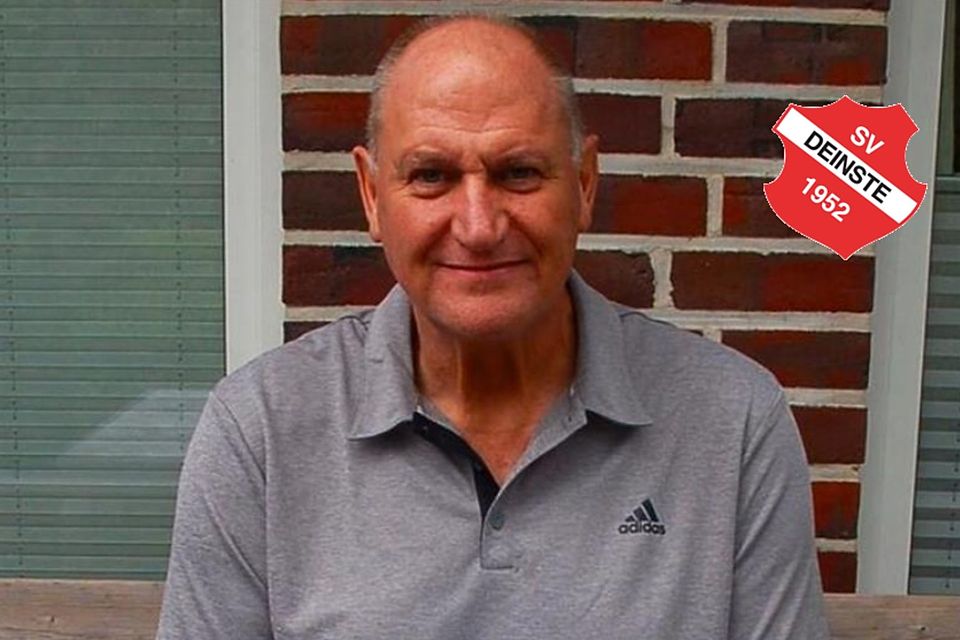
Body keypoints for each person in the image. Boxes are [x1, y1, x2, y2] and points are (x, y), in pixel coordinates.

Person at [157, 15, 830, 640]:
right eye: (431, 176)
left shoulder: (732, 421)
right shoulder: (262, 430)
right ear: (370, 194)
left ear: (584, 184)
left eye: (519, 173)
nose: (478, 227)